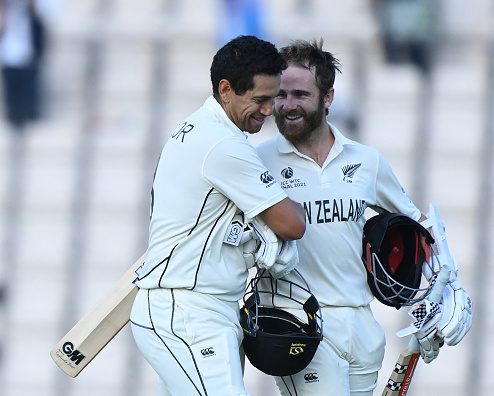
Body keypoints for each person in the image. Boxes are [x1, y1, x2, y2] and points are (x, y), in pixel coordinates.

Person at [256, 39, 469, 395]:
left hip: (361, 328)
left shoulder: (366, 162)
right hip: (301, 326)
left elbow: (419, 226)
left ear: (328, 98)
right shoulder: (258, 161)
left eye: (301, 95)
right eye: (281, 94)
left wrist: (449, 287)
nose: (288, 106)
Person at [129, 35, 306, 396]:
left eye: (272, 98)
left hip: (193, 307)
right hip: (188, 311)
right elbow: (293, 224)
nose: (269, 110)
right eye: (259, 99)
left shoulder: (200, 128)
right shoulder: (222, 144)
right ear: (226, 90)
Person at [0, 0, 47, 131]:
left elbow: (40, 17)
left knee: (28, 87)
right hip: (9, 53)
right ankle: (14, 118)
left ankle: (29, 117)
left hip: (27, 52)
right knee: (12, 89)